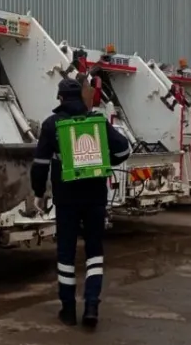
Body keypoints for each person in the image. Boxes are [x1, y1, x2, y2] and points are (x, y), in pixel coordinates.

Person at [30, 78, 132, 328]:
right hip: (95, 197)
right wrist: (101, 160)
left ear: (60, 98)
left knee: (66, 253)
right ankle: (91, 307)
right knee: (94, 252)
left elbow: (40, 164)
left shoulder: (52, 124)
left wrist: (39, 192)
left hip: (66, 200)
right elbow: (124, 151)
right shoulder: (97, 123)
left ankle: (67, 310)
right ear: (82, 97)